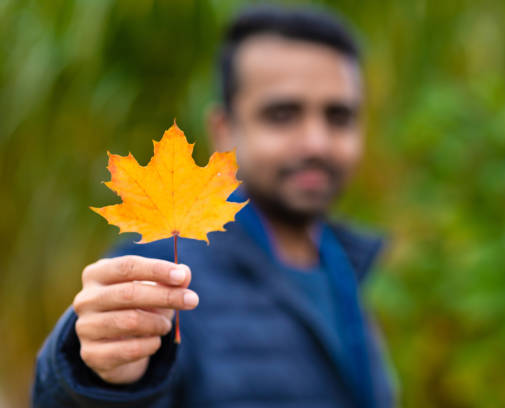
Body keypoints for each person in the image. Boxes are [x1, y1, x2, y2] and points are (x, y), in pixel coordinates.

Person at [32, 6, 395, 408]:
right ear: (223, 131)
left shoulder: (352, 266)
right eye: (282, 115)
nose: (316, 142)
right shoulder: (161, 274)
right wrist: (98, 380)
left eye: (338, 117)